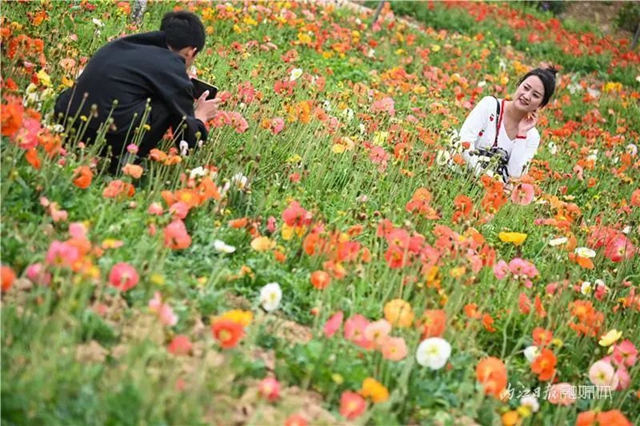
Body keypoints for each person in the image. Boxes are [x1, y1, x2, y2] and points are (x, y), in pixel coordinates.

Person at [54, 11, 220, 172]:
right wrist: (200, 116)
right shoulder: (172, 66)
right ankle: (125, 163)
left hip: (66, 123)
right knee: (166, 104)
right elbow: (188, 142)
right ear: (191, 51)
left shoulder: (125, 44)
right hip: (104, 138)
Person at [459, 67, 557, 182]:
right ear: (518, 85)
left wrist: (522, 134)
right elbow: (464, 142)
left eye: (535, 95)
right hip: (462, 176)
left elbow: (515, 174)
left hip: (494, 193)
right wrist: (484, 178)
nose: (526, 96)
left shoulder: (532, 136)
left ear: (541, 105)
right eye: (525, 88)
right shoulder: (489, 105)